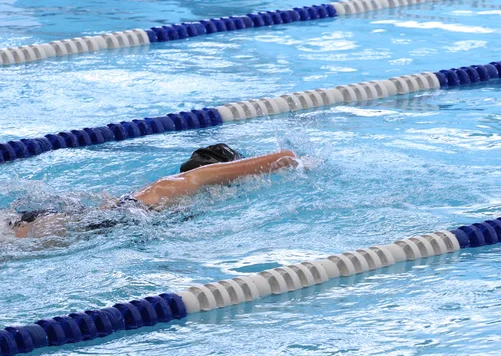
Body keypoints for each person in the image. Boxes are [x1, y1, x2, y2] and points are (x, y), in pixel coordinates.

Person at [7, 144, 297, 238]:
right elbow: (284, 157)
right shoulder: (186, 181)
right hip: (66, 227)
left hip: (66, 218)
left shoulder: (158, 189)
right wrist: (304, 161)